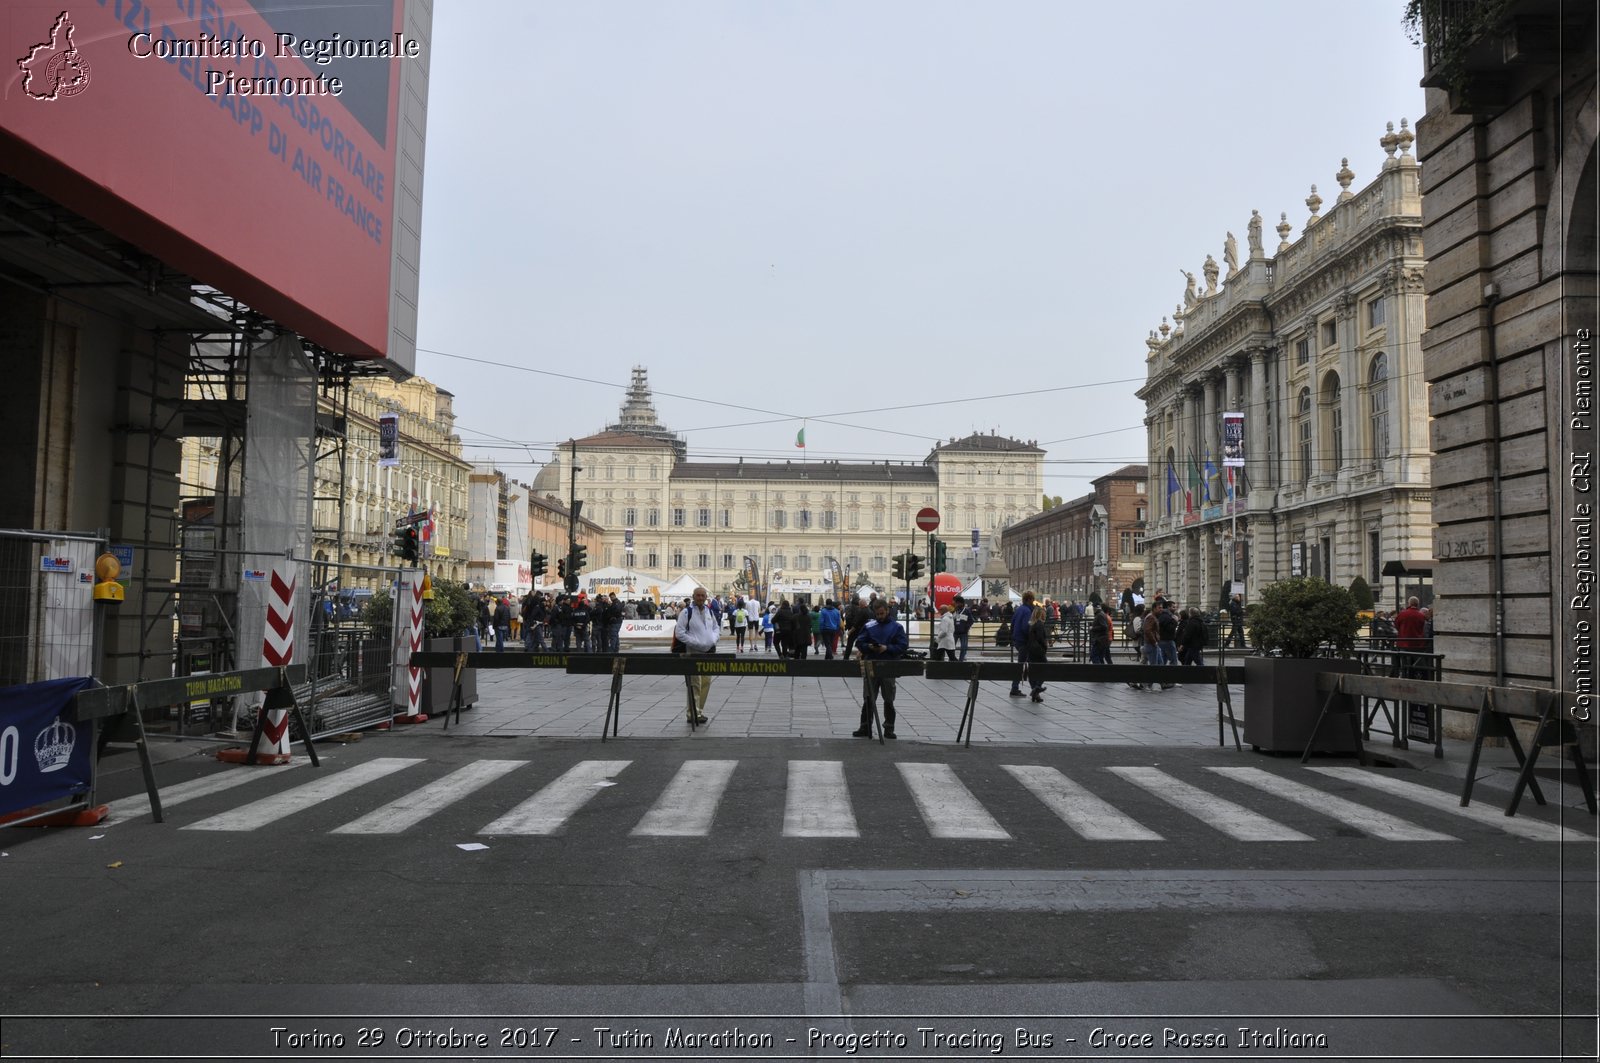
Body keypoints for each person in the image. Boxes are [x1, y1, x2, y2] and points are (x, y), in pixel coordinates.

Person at [853, 599, 908, 738]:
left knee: (888, 699)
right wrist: (868, 647)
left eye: (882, 613)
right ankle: (865, 726)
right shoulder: (870, 625)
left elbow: (903, 646)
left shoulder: (896, 627)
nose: (880, 616)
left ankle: (889, 728)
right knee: (868, 697)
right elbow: (859, 642)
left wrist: (887, 648)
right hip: (871, 664)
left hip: (889, 666)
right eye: (877, 614)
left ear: (887, 611)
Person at [675, 586, 721, 724]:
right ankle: (692, 713)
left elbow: (716, 627)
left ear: (706, 597)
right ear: (693, 596)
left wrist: (713, 639)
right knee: (695, 683)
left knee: (706, 682)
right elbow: (680, 632)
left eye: (703, 595)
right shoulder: (686, 612)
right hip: (693, 652)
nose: (700, 598)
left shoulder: (709, 611)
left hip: (709, 652)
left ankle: (699, 711)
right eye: (698, 595)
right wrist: (695, 643)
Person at [1008, 590, 1037, 696]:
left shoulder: (1019, 609)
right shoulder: (1027, 611)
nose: (1033, 601)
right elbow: (1026, 627)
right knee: (1025, 664)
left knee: (1024, 663)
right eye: (1032, 599)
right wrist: (1032, 636)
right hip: (1024, 641)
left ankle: (1033, 687)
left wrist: (1013, 637)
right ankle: (1030, 688)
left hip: (1017, 640)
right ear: (1029, 599)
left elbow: (1013, 623)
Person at [1023, 600, 1049, 701]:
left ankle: (1035, 693)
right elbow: (1040, 638)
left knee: (1032, 671)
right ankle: (1037, 687)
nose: (1045, 615)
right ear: (1040, 614)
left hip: (1031, 649)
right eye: (1043, 614)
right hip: (1038, 650)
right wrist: (1045, 646)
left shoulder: (1031, 623)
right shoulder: (1039, 624)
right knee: (1045, 668)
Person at [952, 596, 975, 661]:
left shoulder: (966, 611)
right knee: (952, 647)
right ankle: (952, 659)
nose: (955, 604)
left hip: (963, 633)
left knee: (963, 647)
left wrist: (966, 628)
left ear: (961, 603)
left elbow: (971, 620)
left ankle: (961, 660)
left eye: (957, 603)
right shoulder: (954, 611)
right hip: (955, 632)